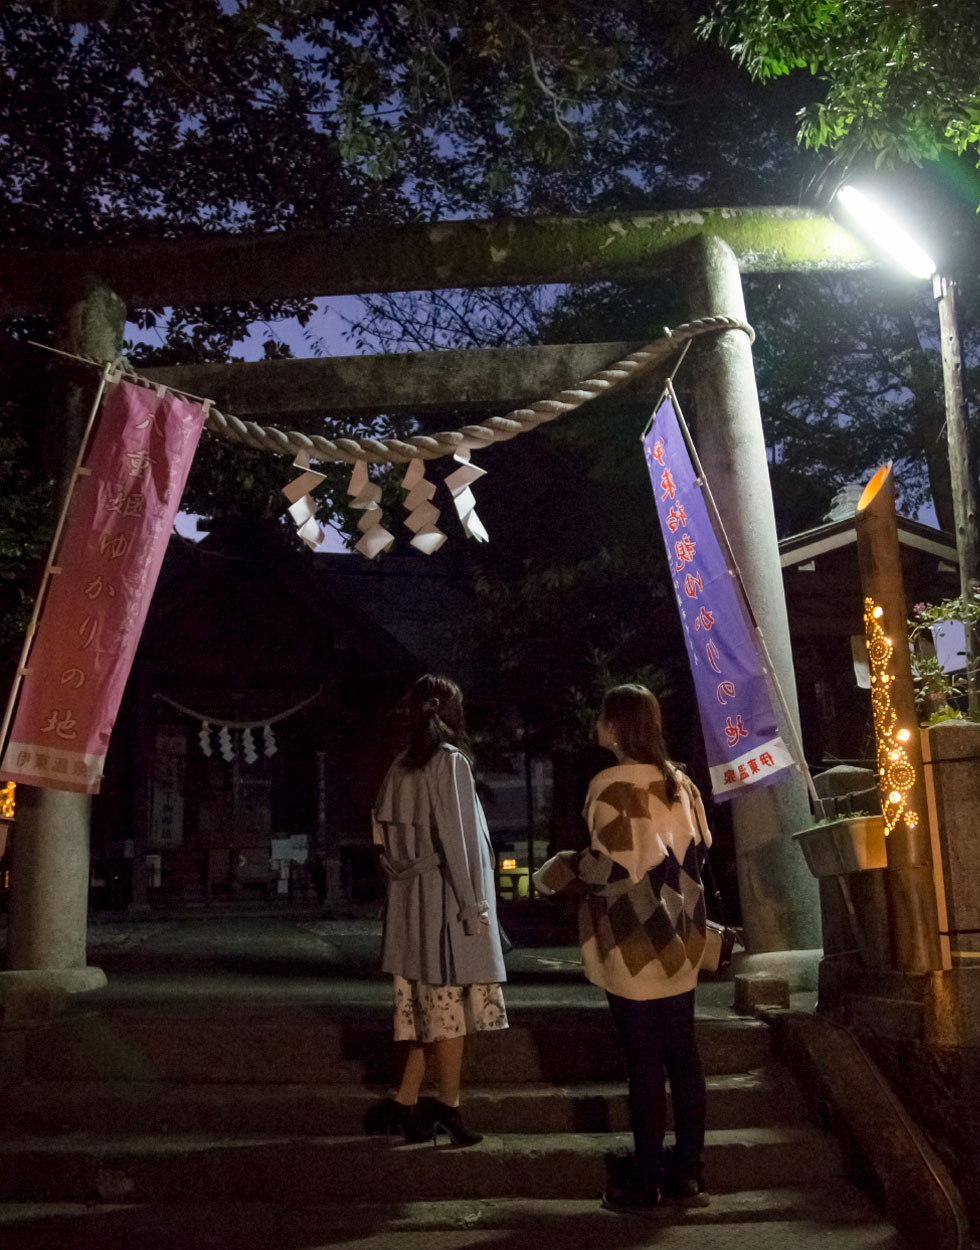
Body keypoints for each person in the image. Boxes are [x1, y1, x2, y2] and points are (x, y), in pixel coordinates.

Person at [534, 683, 711, 1212]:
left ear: (616, 727)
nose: (596, 725)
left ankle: (647, 1178)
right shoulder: (681, 783)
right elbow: (693, 855)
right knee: (683, 1054)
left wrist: (556, 871)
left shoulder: (609, 784)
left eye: (602, 718)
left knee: (643, 1060)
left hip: (634, 937)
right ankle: (689, 1172)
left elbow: (610, 865)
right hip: (682, 932)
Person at [365, 673, 508, 1147]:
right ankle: (449, 1106)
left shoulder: (400, 767)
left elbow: (381, 840)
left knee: (428, 1009)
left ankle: (406, 1102)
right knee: (449, 1013)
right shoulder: (450, 764)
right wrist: (474, 908)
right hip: (447, 901)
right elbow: (461, 839)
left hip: (411, 903)